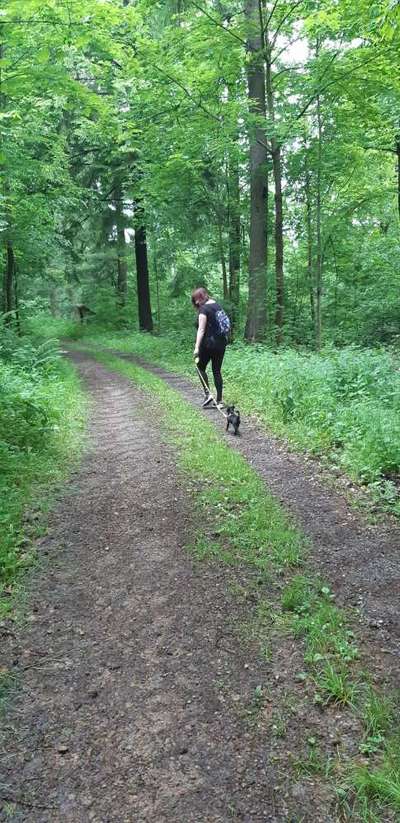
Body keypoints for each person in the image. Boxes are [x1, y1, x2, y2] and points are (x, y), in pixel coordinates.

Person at [192, 287, 227, 410]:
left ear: (203, 297)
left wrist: (196, 347)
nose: (196, 302)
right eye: (195, 300)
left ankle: (208, 394)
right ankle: (220, 401)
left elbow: (201, 329)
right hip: (221, 344)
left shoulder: (204, 309)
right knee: (217, 371)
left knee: (199, 367)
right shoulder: (217, 305)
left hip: (208, 344)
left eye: (198, 299)